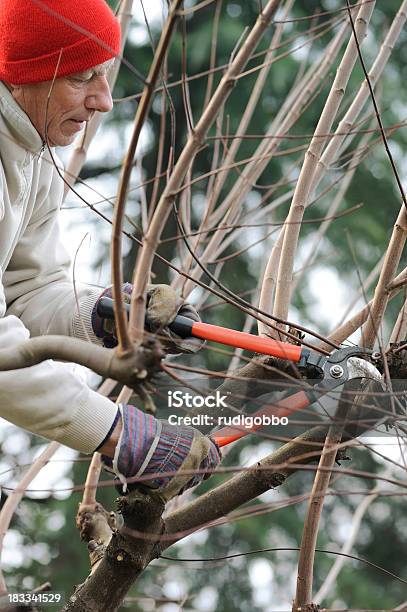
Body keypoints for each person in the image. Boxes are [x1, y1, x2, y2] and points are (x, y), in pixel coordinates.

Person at [0, 0, 221, 500]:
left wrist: (104, 313)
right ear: (22, 75)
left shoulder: (27, 150)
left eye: (104, 76)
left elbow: (27, 290)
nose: (104, 101)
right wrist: (115, 431)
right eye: (82, 78)